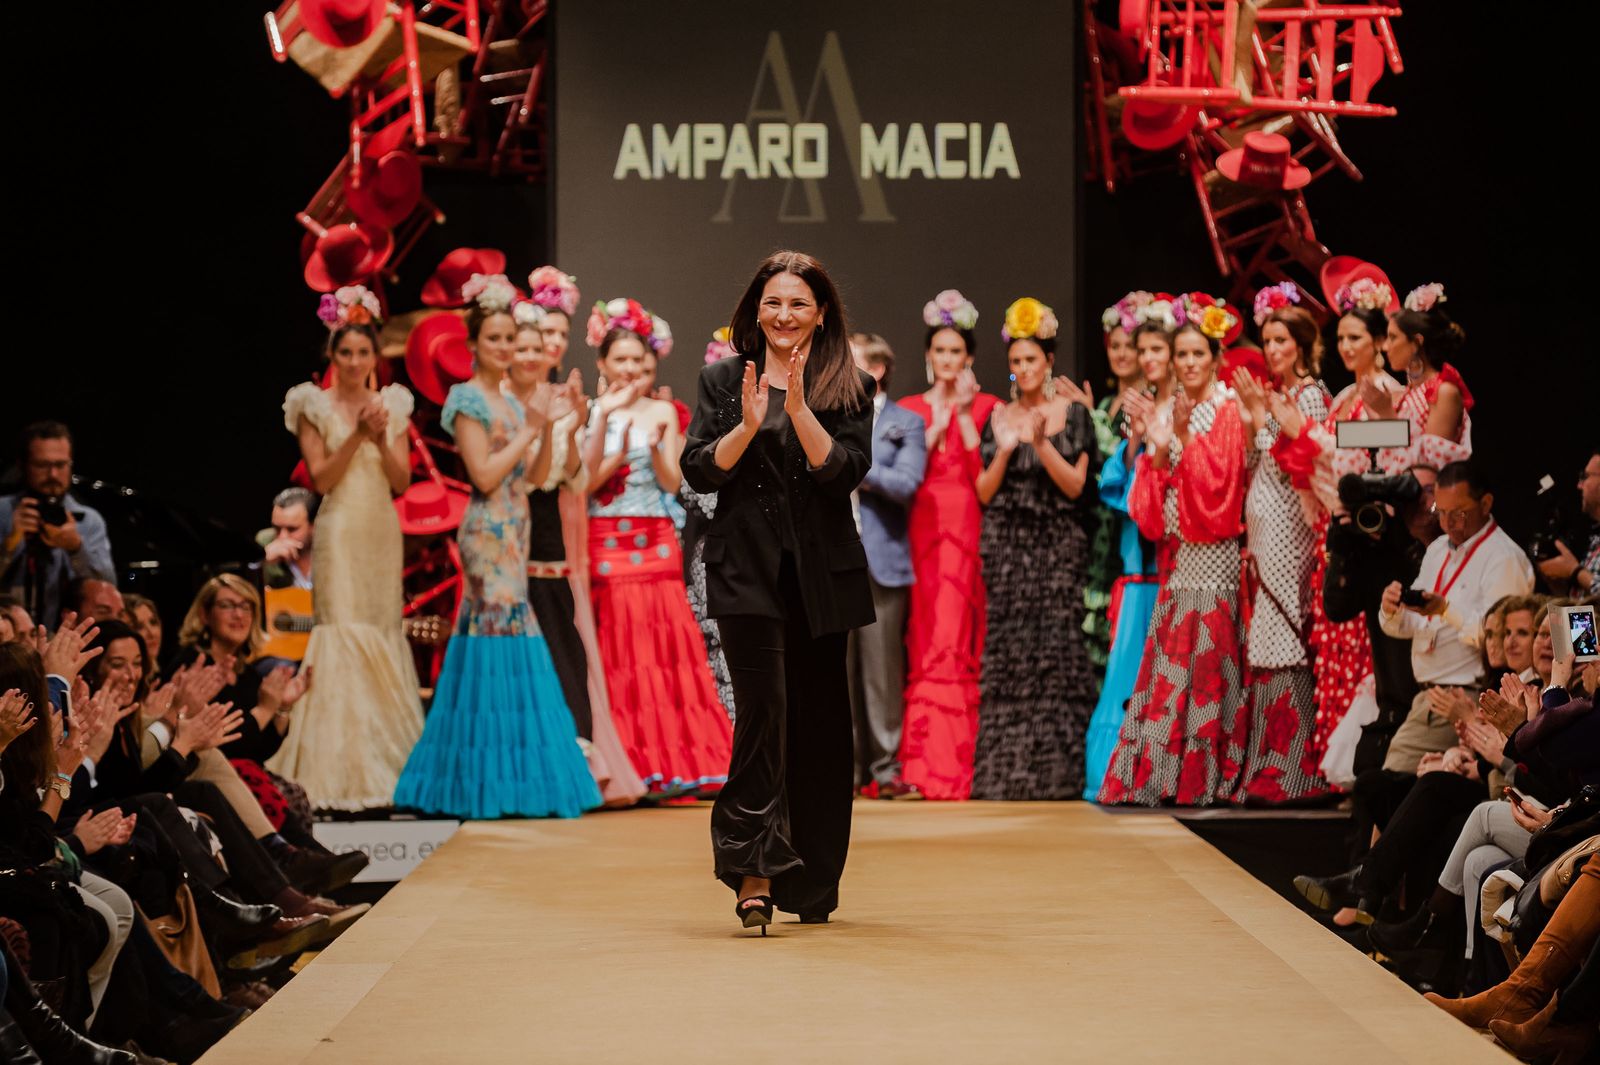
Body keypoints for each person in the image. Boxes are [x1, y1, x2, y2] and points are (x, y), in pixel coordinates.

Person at [684, 250, 874, 933]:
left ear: (820, 313)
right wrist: (745, 423)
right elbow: (700, 471)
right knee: (763, 713)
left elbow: (844, 471)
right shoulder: (719, 380)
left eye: (798, 303)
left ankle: (815, 879)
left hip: (821, 580)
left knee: (822, 726)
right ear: (754, 311)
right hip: (744, 575)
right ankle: (754, 868)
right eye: (773, 302)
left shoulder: (850, 386)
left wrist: (797, 408)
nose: (784, 314)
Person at [394, 273, 601, 819]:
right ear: (473, 345)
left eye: (511, 338)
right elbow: (484, 476)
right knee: (494, 641)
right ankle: (479, 776)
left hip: (517, 528)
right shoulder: (467, 399)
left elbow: (532, 477)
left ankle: (508, 772)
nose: (506, 348)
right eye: (496, 339)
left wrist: (556, 427)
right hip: (487, 534)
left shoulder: (511, 403)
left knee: (509, 643)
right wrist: (532, 423)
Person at [266, 287, 425, 812]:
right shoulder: (311, 404)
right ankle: (333, 770)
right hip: (339, 526)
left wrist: (380, 436)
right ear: (331, 356)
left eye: (363, 353)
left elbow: (401, 480)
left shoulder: (393, 403)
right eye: (345, 352)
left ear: (373, 356)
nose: (355, 362)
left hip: (380, 526)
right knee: (340, 630)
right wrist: (357, 435)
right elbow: (322, 476)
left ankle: (391, 760)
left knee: (380, 629)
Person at [584, 298, 731, 798]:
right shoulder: (591, 412)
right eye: (619, 360)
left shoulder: (664, 409)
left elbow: (673, 483)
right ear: (601, 364)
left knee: (662, 648)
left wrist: (655, 450)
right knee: (615, 650)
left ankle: (674, 763)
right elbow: (579, 485)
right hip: (602, 537)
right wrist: (616, 447)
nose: (629, 370)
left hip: (655, 538)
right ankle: (624, 764)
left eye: (637, 362)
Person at [1099, 320, 1249, 806]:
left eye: (1196, 354)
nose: (1187, 363)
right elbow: (1146, 511)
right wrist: (1157, 444)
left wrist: (1185, 436)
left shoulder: (1226, 410)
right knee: (1170, 673)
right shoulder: (1165, 412)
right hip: (1180, 562)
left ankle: (1207, 778)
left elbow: (1221, 494)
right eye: (1180, 354)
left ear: (1214, 358)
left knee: (1210, 669)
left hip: (1215, 560)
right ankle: (1164, 777)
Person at [971, 298, 1098, 800]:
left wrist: (1042, 444)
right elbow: (983, 493)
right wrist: (1006, 446)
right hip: (1006, 545)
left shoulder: (1072, 414)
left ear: (1049, 361)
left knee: (1056, 649)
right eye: (1016, 362)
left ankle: (1058, 775)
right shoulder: (999, 416)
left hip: (1057, 544)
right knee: (1011, 654)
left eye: (1032, 360)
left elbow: (1075, 487)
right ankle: (1006, 774)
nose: (1023, 369)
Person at [895, 290, 1000, 801]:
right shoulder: (908, 409)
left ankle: (960, 762)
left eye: (956, 352)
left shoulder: (988, 406)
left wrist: (961, 415)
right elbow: (899, 478)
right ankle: (918, 762)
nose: (948, 360)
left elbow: (988, 481)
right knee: (923, 632)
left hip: (968, 525)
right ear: (928, 357)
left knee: (959, 634)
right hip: (920, 527)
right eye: (940, 352)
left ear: (970, 358)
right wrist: (936, 423)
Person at [1231, 295, 1333, 804]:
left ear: (1302, 346)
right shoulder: (1277, 396)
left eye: (1280, 341)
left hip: (1293, 525)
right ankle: (1270, 767)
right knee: (1268, 636)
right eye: (1266, 340)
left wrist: (1261, 415)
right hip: (1265, 525)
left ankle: (1297, 770)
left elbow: (1303, 461)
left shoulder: (1310, 396)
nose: (1270, 350)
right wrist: (1255, 415)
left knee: (1287, 630)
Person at [1377, 461, 1533, 775]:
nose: (1449, 523)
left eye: (1459, 512)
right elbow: (1414, 624)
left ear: (1485, 503)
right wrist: (1391, 610)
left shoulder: (1503, 557)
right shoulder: (1437, 550)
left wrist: (1446, 611)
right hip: (1428, 693)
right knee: (1397, 789)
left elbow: (1503, 643)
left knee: (1386, 783)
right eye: (1441, 511)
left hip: (1469, 693)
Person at [845, 332, 927, 799]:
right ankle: (846, 770)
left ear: (875, 371)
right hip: (835, 556)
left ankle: (886, 768)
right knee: (836, 672)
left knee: (881, 669)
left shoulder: (905, 422)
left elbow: (907, 481)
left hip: (882, 560)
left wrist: (853, 463)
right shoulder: (824, 415)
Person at [0, 422, 116, 629]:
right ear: (23, 465)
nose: (53, 474)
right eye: (42, 465)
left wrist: (76, 548)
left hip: (66, 635)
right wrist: (10, 545)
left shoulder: (88, 521)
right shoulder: (3, 513)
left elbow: (108, 591)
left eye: (61, 465)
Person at [1366, 283, 1473, 473]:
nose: (1385, 347)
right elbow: (1375, 451)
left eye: (1393, 338)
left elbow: (1429, 467)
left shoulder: (1443, 391)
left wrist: (1386, 415)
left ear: (1416, 342)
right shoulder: (1407, 393)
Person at [1536, 450, 1600, 596]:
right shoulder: (1595, 539)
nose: (1579, 485)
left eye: (1585, 477)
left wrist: (1575, 571)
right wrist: (1559, 588)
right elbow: (1585, 613)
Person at [258, 487, 317, 591]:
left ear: (313, 526)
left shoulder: (332, 546)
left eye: (292, 529)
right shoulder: (263, 543)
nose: (282, 537)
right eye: (277, 528)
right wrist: (262, 561)